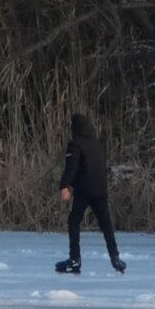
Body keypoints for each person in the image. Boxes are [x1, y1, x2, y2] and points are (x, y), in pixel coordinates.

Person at [57, 112, 125, 274]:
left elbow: (72, 167)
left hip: (84, 191)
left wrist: (65, 185)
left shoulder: (75, 145)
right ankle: (115, 258)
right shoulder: (97, 145)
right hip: (101, 190)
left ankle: (75, 260)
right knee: (106, 225)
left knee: (74, 222)